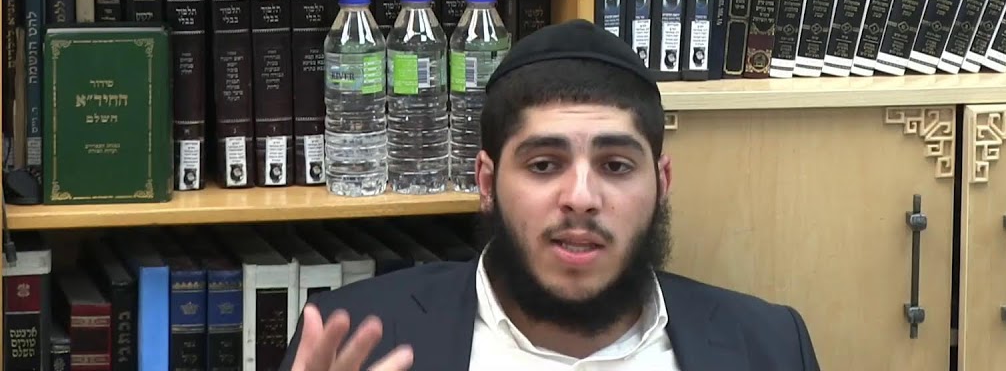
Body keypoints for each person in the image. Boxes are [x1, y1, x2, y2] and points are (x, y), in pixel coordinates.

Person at [280, 19, 820, 371]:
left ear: (662, 184)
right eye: (544, 165)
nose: (581, 198)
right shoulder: (350, 338)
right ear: (486, 182)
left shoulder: (769, 346)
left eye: (615, 166)